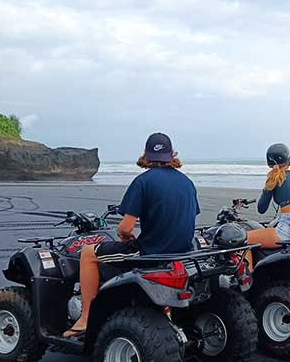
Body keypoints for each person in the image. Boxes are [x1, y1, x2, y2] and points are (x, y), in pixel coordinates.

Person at [64, 132, 199, 338]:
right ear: (171, 154)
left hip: (151, 253)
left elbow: (125, 228)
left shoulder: (143, 181)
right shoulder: (187, 183)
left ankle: (85, 319)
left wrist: (125, 236)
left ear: (146, 155)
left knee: (89, 254)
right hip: (182, 253)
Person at [244, 144, 290, 262]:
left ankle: (248, 277)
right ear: (288, 159)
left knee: (243, 239)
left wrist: (267, 189)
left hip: (288, 231)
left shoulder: (274, 178)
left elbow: (261, 208)